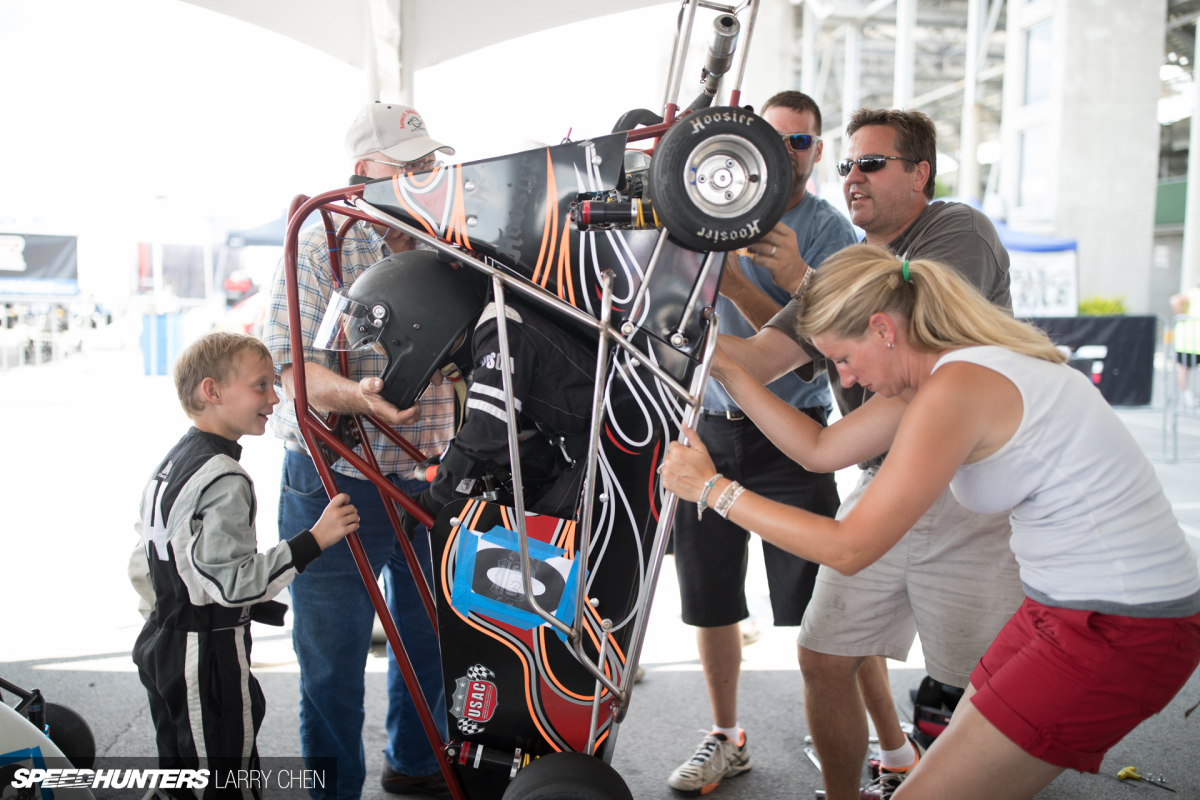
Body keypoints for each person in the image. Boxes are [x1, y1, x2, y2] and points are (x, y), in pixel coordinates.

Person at [661, 244, 1200, 800]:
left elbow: (850, 547)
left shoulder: (956, 389)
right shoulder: (949, 369)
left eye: (844, 359)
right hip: (1064, 608)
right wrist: (723, 366)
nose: (845, 379)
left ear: (882, 329)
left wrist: (713, 490)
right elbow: (819, 449)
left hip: (1124, 625)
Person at [718, 108, 1023, 799]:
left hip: (965, 482)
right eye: (848, 164)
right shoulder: (848, 269)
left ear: (920, 174)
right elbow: (760, 359)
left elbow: (919, 332)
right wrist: (667, 326)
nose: (853, 176)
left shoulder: (954, 231)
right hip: (883, 475)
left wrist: (802, 279)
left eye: (872, 163)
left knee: (982, 681)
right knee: (823, 656)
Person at [261, 102, 457, 800]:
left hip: (434, 471)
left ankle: (417, 764)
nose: (424, 177)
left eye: (430, 163)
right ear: (365, 169)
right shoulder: (323, 246)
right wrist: (363, 398)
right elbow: (291, 373)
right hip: (336, 478)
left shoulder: (449, 244)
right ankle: (333, 790)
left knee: (433, 636)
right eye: (409, 166)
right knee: (331, 656)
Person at [666, 90, 855, 796]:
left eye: (802, 143)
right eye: (774, 140)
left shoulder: (830, 234)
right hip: (709, 431)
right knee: (710, 601)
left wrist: (750, 283)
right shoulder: (701, 211)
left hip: (797, 438)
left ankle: (884, 746)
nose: (787, 153)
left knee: (829, 612)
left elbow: (817, 352)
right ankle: (724, 735)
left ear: (817, 151)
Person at [129, 332, 360, 798]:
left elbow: (143, 565)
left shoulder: (174, 463)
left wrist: (172, 621)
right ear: (211, 392)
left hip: (162, 642)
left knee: (178, 771)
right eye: (260, 386)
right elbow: (233, 585)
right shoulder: (224, 476)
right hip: (206, 655)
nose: (275, 397)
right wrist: (314, 540)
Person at [1170, 283, 1200, 407]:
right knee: (1184, 367)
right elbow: (1174, 300)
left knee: (1184, 368)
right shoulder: (1193, 293)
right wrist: (1183, 314)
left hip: (1192, 340)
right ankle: (1185, 395)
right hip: (1189, 340)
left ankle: (1186, 395)